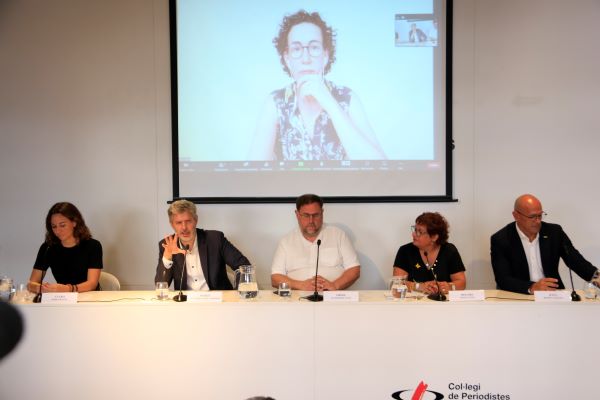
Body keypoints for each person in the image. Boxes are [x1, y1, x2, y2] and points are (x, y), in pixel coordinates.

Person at [249, 10, 385, 161]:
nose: (306, 58)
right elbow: (253, 173)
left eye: (314, 47)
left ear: (325, 56)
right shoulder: (275, 102)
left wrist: (330, 104)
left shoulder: (347, 99)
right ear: (287, 59)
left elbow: (381, 167)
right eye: (296, 49)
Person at [490, 194, 599, 294]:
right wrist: (532, 287)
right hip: (520, 295)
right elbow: (503, 278)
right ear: (516, 216)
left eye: (540, 215)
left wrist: (597, 279)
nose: (538, 221)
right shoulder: (501, 239)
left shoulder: (554, 232)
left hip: (553, 295)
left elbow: (577, 262)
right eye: (532, 217)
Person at [155, 199, 250, 290]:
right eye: (179, 223)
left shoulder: (215, 239)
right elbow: (160, 286)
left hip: (218, 301)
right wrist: (167, 258)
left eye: (188, 221)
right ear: (172, 224)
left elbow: (244, 267)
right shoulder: (167, 245)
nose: (184, 228)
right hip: (187, 303)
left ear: (195, 220)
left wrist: (238, 293)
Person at [271, 194, 360, 291]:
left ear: (322, 213)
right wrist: (301, 285)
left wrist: (335, 285)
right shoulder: (286, 242)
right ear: (297, 215)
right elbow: (275, 278)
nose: (311, 221)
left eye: (316, 215)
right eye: (306, 215)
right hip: (298, 300)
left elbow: (354, 269)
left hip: (332, 299)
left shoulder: (338, 235)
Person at [28, 202, 102, 293]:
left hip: (89, 297)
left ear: (74, 222)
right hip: (62, 298)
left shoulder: (93, 246)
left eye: (62, 225)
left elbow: (92, 284)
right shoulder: (48, 247)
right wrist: (43, 288)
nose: (58, 231)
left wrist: (68, 289)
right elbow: (31, 283)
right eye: (54, 226)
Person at [393, 212, 466, 294]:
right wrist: (419, 286)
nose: (413, 234)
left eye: (419, 232)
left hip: (443, 303)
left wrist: (448, 286)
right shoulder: (405, 251)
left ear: (434, 237)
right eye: (415, 230)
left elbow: (461, 283)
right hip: (413, 303)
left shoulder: (449, 250)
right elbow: (397, 283)